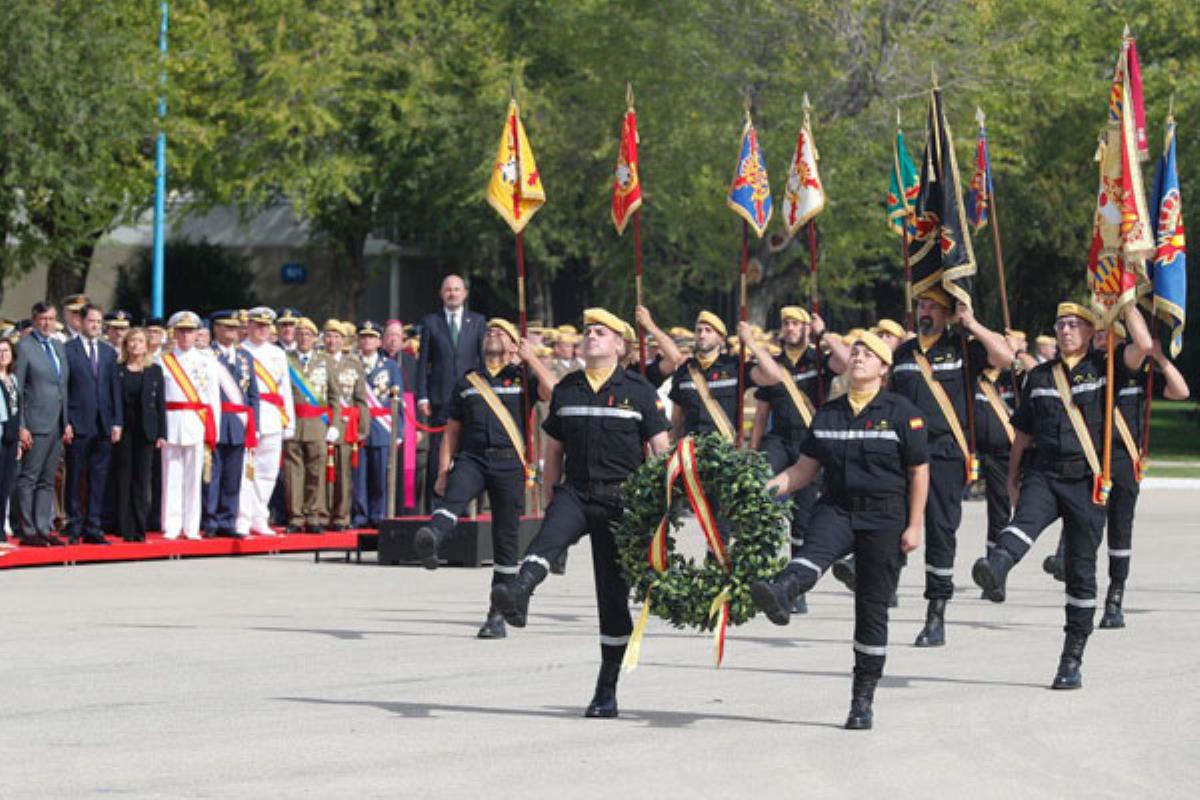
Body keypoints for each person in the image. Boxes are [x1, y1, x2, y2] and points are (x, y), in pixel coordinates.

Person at [491, 308, 670, 718]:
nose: (591, 336)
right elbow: (553, 448)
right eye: (588, 330)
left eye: (600, 332)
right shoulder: (568, 389)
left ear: (620, 344)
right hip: (575, 491)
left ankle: (606, 690)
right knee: (547, 539)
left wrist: (660, 506)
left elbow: (662, 451)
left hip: (622, 500)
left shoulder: (639, 391)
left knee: (612, 597)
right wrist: (551, 497)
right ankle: (518, 592)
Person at [750, 330, 928, 730]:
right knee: (811, 553)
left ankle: (862, 697)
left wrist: (915, 525)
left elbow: (919, 471)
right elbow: (803, 470)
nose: (859, 357)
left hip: (885, 515)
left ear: (884, 368)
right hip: (837, 506)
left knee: (871, 609)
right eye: (856, 352)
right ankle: (782, 592)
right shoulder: (828, 414)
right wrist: (765, 488)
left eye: (869, 354)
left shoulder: (903, 412)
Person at [971, 303, 1150, 689]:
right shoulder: (1038, 376)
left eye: (1073, 325)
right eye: (1060, 325)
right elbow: (1023, 432)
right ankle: (997, 566)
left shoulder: (1107, 367)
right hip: (1045, 472)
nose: (1065, 330)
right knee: (1025, 521)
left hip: (1087, 480)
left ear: (1090, 332)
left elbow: (1144, 345)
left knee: (1081, 573)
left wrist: (1128, 301)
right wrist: (1012, 478)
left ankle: (1072, 657)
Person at [1039, 319, 1190, 626]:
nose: (1100, 340)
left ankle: (1115, 597)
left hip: (1123, 461)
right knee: (1081, 517)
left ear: (1122, 341)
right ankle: (1068, 562)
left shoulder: (1139, 374)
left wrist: (1159, 358)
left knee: (1120, 532)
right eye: (1097, 336)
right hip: (1093, 459)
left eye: (1107, 336)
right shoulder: (1087, 372)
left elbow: (1181, 391)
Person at [886, 286, 1013, 647]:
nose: (924, 312)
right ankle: (883, 586)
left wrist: (972, 324)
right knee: (891, 520)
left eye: (933, 307)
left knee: (940, 531)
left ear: (947, 314)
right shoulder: (904, 353)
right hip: (903, 451)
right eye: (921, 306)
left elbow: (1005, 357)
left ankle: (936, 614)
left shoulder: (962, 348)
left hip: (944, 451)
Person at [414, 319, 555, 638]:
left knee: (506, 540)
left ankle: (497, 615)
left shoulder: (523, 377)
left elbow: (553, 392)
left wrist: (531, 358)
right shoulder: (468, 381)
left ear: (513, 344)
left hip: (510, 463)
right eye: (490, 331)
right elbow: (452, 431)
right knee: (454, 496)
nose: (493, 334)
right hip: (473, 457)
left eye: (501, 332)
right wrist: (442, 471)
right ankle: (432, 538)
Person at [749, 306, 830, 614]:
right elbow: (761, 415)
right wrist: (753, 452)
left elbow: (843, 362)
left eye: (797, 323)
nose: (791, 327)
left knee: (803, 519)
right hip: (779, 440)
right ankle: (762, 568)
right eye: (786, 323)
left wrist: (824, 333)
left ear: (807, 328)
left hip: (809, 443)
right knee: (761, 490)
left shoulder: (818, 360)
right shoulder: (774, 365)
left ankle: (795, 586)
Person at [416, 275, 486, 511]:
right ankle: (436, 505)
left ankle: (467, 506)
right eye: (448, 290)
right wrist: (422, 395)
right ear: (441, 294)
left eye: (456, 289)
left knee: (469, 452)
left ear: (465, 293)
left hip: (471, 396)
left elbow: (483, 360)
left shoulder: (477, 322)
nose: (452, 294)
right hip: (441, 398)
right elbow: (423, 363)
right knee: (438, 452)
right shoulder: (431, 322)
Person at [662, 310, 783, 443]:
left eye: (708, 331)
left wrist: (750, 342)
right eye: (699, 330)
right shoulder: (685, 370)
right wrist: (671, 446)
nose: (702, 335)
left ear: (721, 339)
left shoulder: (735, 367)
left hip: (725, 448)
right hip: (692, 447)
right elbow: (677, 418)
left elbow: (774, 376)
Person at [160, 311, 223, 541]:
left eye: (190, 331)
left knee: (194, 477)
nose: (186, 336)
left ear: (197, 333)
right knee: (171, 476)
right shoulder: (163, 361)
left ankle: (191, 526)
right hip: (171, 422)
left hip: (197, 422)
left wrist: (213, 430)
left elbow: (213, 399)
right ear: (174, 333)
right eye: (181, 331)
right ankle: (171, 524)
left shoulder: (208, 361)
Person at [62, 304, 122, 544]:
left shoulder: (108, 353)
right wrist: (65, 421)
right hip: (78, 423)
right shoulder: (68, 350)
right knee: (75, 476)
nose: (96, 325)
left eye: (99, 322)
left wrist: (117, 421)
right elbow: (64, 389)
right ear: (81, 322)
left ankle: (94, 526)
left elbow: (114, 389)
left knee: (99, 478)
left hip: (103, 424)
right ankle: (74, 525)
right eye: (91, 321)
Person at [13, 302, 71, 547]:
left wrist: (66, 421)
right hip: (35, 422)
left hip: (56, 423)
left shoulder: (57, 346)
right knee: (30, 477)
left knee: (48, 479)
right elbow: (18, 388)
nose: (47, 324)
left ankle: (43, 527)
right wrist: (21, 425)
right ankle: (27, 530)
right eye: (43, 319)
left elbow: (62, 386)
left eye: (51, 319)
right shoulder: (24, 347)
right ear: (34, 320)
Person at [237, 307, 295, 537]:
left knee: (268, 472)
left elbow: (285, 389)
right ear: (248, 326)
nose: (262, 330)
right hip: (249, 417)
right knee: (246, 472)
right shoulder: (240, 351)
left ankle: (259, 517)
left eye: (266, 326)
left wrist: (289, 421)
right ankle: (242, 518)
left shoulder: (277, 353)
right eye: (258, 325)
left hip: (272, 416)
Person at [204, 311, 259, 538]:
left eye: (235, 328)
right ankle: (210, 521)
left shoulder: (245, 357)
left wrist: (255, 426)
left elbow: (253, 394)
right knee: (212, 475)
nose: (231, 332)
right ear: (216, 329)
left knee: (233, 476)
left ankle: (228, 520)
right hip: (216, 422)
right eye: (227, 327)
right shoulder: (207, 355)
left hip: (238, 424)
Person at [284, 318, 339, 532]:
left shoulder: (325, 361)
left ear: (315, 338)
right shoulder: (286, 359)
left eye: (308, 334)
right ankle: (296, 517)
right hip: (294, 423)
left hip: (318, 425)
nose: (303, 338)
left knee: (316, 472)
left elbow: (334, 396)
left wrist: (334, 424)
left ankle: (313, 515)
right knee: (293, 473)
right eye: (299, 334)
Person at [113, 328, 166, 542]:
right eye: (132, 341)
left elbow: (160, 404)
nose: (136, 345)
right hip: (124, 430)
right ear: (126, 345)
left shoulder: (154, 370)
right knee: (124, 478)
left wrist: (162, 433)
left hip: (146, 430)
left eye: (140, 341)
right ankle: (125, 527)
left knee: (142, 479)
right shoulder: (118, 369)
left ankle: (139, 527)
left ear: (146, 345)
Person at [352, 321, 404, 528]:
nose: (367, 341)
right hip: (357, 426)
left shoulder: (389, 366)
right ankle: (360, 515)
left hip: (382, 426)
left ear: (379, 341)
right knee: (359, 476)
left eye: (371, 337)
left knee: (380, 475)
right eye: (363, 337)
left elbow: (397, 400)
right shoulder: (351, 363)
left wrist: (398, 430)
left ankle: (378, 514)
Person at [322, 320, 368, 531]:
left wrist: (362, 428)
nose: (332, 341)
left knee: (344, 474)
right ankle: (322, 514)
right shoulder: (317, 361)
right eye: (328, 336)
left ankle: (341, 516)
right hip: (322, 423)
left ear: (343, 341)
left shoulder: (353, 364)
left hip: (346, 425)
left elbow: (360, 399)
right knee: (321, 472)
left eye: (336, 337)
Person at [0, 340, 21, 546]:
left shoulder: (13, 379)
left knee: (6, 484)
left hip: (12, 437)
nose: (3, 355)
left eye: (6, 351)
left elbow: (17, 409)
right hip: (0, 435)